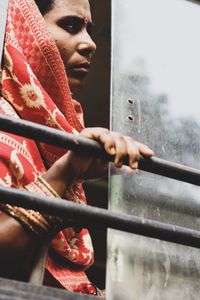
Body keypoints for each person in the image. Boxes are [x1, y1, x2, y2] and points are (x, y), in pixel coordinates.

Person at [0, 0, 154, 296]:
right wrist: (68, 169)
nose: (90, 44)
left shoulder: (54, 136)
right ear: (25, 29)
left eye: (89, 30)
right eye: (70, 26)